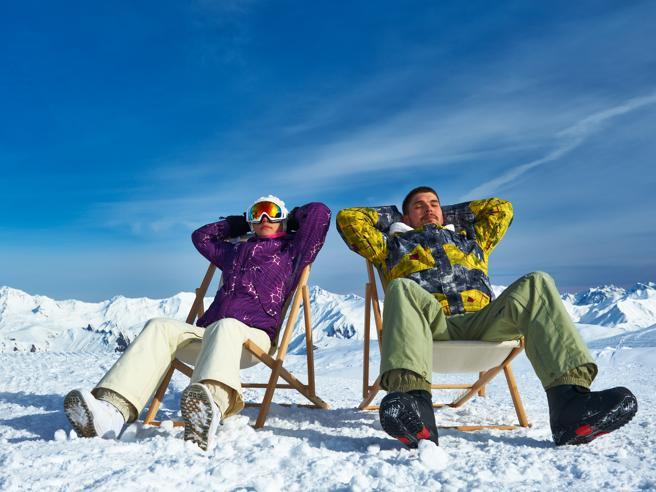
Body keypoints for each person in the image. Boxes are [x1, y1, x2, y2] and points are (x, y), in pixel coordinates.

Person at [336, 186, 637, 448]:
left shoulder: (473, 240)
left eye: (434, 204)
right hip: (428, 326)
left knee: (538, 282)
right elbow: (348, 218)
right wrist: (398, 221)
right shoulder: (390, 245)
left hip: (482, 322)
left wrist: (446, 217)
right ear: (405, 217)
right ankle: (414, 407)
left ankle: (571, 406)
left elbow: (501, 209)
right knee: (402, 287)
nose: (428, 209)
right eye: (419, 206)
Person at [64, 195, 331, 450]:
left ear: (283, 218)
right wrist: (238, 223)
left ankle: (211, 408)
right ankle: (111, 412)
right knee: (160, 326)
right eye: (256, 213)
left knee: (226, 325)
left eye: (272, 213)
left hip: (253, 338)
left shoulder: (293, 251)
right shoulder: (233, 251)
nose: (264, 218)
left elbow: (320, 212)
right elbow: (201, 236)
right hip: (208, 335)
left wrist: (292, 219)